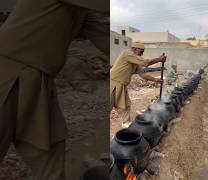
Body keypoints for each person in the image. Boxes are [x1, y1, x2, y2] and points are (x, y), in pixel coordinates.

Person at [0, 0, 107, 179]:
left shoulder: (80, 11)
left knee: (50, 151)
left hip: (40, 81)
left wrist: (135, 61)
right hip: (7, 70)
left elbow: (105, 38)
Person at [110, 42, 167, 128]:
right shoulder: (127, 54)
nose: (142, 53)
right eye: (141, 51)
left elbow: (143, 75)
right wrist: (159, 59)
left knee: (125, 103)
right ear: (135, 49)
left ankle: (125, 122)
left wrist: (156, 80)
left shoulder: (135, 63)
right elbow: (145, 62)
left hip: (122, 85)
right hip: (113, 82)